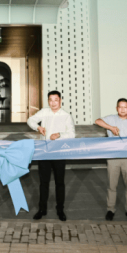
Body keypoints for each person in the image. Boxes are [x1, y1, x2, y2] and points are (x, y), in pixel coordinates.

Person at [27, 90, 75, 221]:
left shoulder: (66, 116)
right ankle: (42, 209)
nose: (53, 103)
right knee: (44, 182)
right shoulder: (44, 112)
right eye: (50, 100)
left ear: (60, 101)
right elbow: (30, 120)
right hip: (45, 152)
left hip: (59, 153)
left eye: (56, 100)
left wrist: (59, 135)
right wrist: (38, 127)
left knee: (60, 183)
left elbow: (72, 134)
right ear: (48, 101)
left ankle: (60, 209)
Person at [95, 98, 127, 222]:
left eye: (125, 107)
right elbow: (97, 121)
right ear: (117, 108)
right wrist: (110, 127)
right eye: (120, 107)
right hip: (113, 156)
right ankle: (110, 209)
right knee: (112, 185)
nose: (122, 109)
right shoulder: (111, 118)